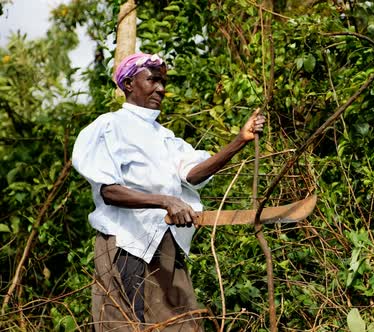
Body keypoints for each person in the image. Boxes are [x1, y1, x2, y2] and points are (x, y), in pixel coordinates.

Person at [72, 52, 265, 331]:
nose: (160, 88)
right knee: (126, 324)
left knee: (181, 323)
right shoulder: (109, 126)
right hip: (127, 244)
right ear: (128, 84)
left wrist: (240, 140)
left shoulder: (164, 137)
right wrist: (165, 201)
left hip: (165, 244)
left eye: (162, 82)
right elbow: (109, 192)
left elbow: (192, 173)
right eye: (152, 80)